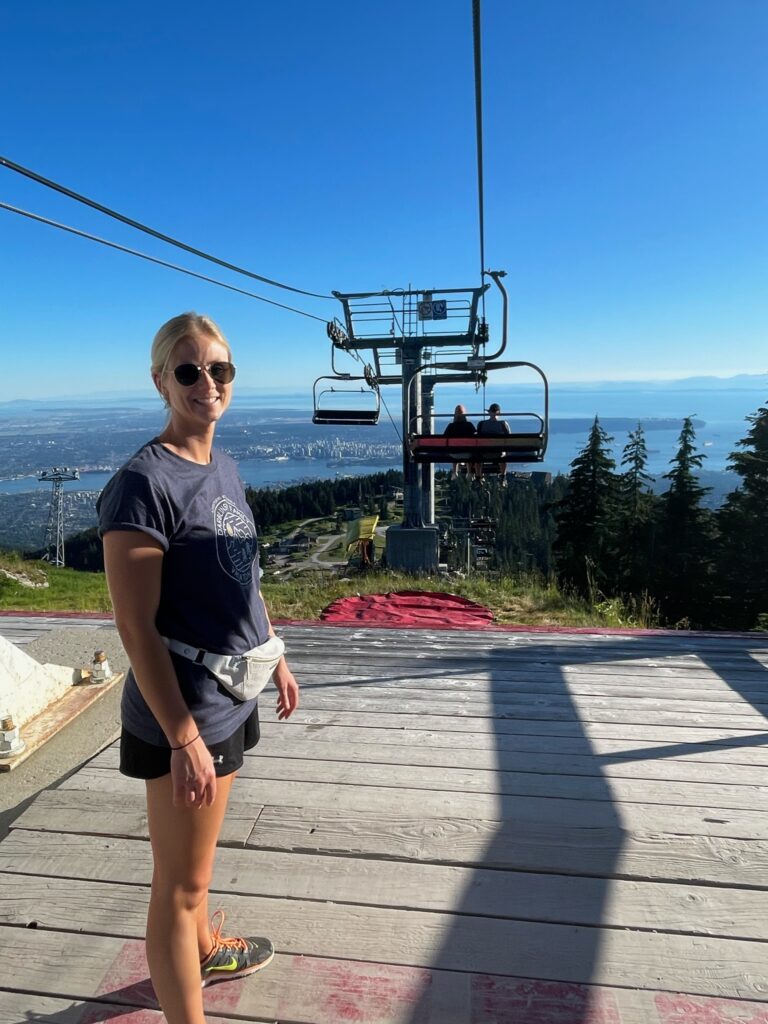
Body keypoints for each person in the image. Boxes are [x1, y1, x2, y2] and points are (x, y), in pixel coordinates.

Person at [97, 312, 299, 1024]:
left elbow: (240, 576)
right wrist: (181, 737)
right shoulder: (141, 487)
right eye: (188, 370)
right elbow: (134, 626)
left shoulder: (223, 466)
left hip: (231, 696)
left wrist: (272, 652)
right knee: (176, 888)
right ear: (161, 380)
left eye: (219, 369)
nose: (207, 382)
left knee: (197, 868)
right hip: (185, 712)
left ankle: (207, 950)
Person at [477, 402, 512, 484]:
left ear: (489, 412)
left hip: (484, 453)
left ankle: (478, 477)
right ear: (499, 412)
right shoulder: (503, 424)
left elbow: (477, 439)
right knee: (504, 454)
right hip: (498, 454)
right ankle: (503, 476)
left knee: (477, 454)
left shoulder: (482, 424)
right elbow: (510, 439)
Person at [442, 404, 479, 479]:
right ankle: (469, 472)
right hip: (467, 454)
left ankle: (454, 472)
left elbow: (443, 438)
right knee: (470, 449)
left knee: (454, 447)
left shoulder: (451, 426)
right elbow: (476, 438)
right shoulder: (469, 425)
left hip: (453, 454)